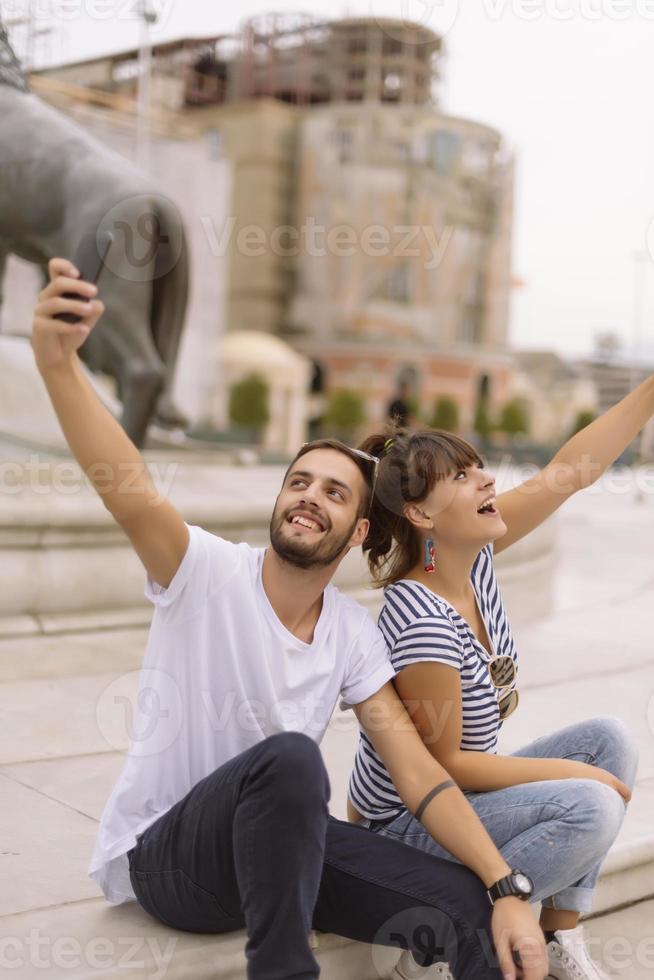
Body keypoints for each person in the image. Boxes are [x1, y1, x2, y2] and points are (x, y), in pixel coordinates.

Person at [30, 257, 548, 980]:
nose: (309, 497)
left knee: (466, 902)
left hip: (282, 842)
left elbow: (419, 774)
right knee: (293, 759)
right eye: (297, 482)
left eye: (335, 493)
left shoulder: (352, 635)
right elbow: (132, 490)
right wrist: (58, 366)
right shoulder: (204, 573)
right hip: (172, 862)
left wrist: (505, 884)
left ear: (359, 531)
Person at [347, 410, 647, 980]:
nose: (486, 480)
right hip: (405, 829)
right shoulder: (423, 622)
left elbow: (569, 472)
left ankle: (558, 936)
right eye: (461, 477)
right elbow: (444, 766)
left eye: (478, 468)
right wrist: (569, 774)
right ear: (419, 514)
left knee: (609, 740)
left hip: (456, 793)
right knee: (593, 806)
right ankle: (433, 932)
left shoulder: (471, 558)